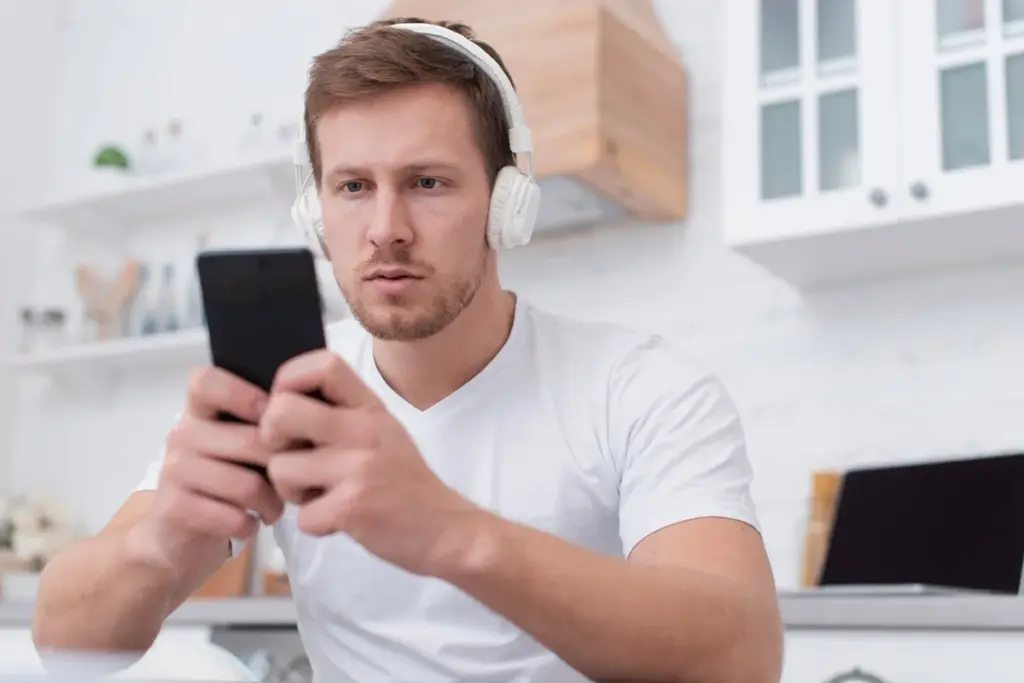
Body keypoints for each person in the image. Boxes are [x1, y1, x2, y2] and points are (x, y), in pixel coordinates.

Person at [32, 17, 783, 683]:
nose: (386, 226)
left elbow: (740, 656)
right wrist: (166, 540)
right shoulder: (285, 390)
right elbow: (64, 640)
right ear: (314, 211)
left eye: (427, 182)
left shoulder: (643, 388)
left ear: (507, 203)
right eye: (353, 186)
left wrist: (446, 531)